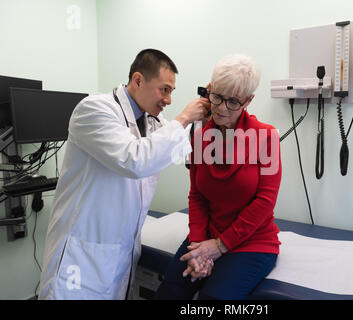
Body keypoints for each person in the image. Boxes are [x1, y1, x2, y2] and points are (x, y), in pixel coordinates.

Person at [38, 49, 211, 300]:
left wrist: (208, 111)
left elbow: (173, 151)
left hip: (120, 256)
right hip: (81, 258)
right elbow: (135, 160)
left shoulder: (153, 122)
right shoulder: (94, 110)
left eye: (172, 91)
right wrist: (185, 117)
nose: (169, 100)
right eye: (164, 89)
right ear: (139, 80)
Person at [155, 54, 282, 300]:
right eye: (218, 97)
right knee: (170, 292)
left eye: (234, 101)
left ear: (248, 100)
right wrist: (200, 246)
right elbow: (197, 196)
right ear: (209, 91)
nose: (223, 108)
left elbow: (265, 202)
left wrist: (220, 246)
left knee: (212, 300)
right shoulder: (200, 136)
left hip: (252, 242)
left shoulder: (268, 138)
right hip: (207, 236)